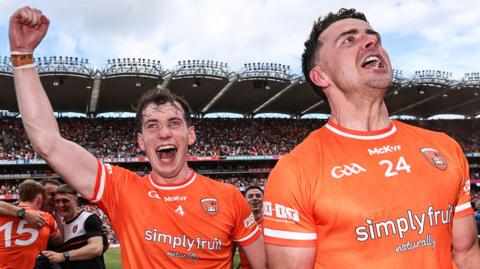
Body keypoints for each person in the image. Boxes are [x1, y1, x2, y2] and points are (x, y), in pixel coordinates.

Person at [8, 6, 265, 269]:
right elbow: (48, 143)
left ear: (191, 134)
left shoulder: (230, 197)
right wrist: (22, 56)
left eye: (174, 123)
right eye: (152, 125)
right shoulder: (121, 189)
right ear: (141, 142)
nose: (164, 132)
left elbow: (260, 264)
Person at [263, 8, 480, 269]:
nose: (371, 42)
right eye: (349, 39)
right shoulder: (296, 171)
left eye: (373, 37)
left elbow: (466, 255)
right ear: (321, 75)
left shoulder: (444, 148)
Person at [0, 180, 62, 269]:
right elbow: (59, 240)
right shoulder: (47, 218)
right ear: (40, 198)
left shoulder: (4, 213)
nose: (55, 200)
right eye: (52, 195)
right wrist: (23, 213)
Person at [42, 184, 106, 269]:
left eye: (65, 201)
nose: (61, 205)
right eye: (57, 201)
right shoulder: (58, 227)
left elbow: (96, 249)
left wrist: (63, 256)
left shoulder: (88, 218)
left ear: (76, 201)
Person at [238, 186, 264, 269]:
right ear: (244, 200)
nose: (255, 198)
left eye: (258, 195)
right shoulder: (239, 224)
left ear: (264, 199)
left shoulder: (272, 223)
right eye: (250, 196)